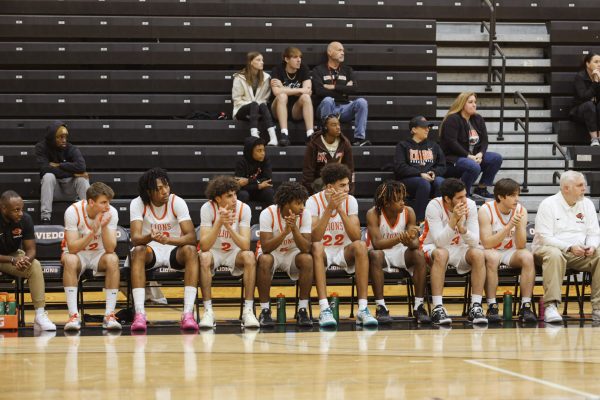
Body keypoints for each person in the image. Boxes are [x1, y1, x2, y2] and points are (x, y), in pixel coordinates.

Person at [129, 168, 199, 332]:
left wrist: (169, 240)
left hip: (174, 249)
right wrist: (150, 237)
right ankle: (140, 313)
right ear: (148, 192)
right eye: (159, 188)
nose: (165, 191)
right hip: (151, 250)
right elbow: (136, 238)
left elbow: (191, 237)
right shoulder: (138, 203)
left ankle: (188, 313)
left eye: (166, 186)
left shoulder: (177, 202)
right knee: (138, 250)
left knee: (190, 250)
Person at [307, 163, 378, 327]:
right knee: (316, 246)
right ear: (330, 187)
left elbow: (355, 236)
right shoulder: (313, 202)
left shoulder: (350, 201)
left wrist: (339, 209)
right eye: (342, 185)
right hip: (323, 253)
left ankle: (363, 309)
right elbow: (315, 237)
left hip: (343, 252)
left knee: (361, 245)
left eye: (348, 184)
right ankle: (324, 309)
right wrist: (329, 209)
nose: (347, 189)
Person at [533, 171, 600, 323]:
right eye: (580, 185)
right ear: (566, 188)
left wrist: (591, 246)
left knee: (599, 254)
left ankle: (598, 308)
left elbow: (594, 233)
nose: (585, 188)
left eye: (584, 184)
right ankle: (551, 306)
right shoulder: (548, 204)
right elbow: (545, 238)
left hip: (579, 252)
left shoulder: (587, 204)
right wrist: (569, 247)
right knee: (555, 254)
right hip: (548, 250)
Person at [420, 178, 488, 325]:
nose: (464, 200)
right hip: (432, 246)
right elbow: (439, 242)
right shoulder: (434, 206)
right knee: (441, 253)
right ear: (447, 199)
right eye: (460, 197)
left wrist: (463, 229)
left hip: (459, 247)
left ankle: (475, 307)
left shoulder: (469, 205)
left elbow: (475, 241)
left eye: (465, 195)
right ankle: (437, 307)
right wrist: (453, 221)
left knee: (478, 254)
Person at [198, 176, 260, 328]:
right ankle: (208, 311)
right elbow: (204, 246)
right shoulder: (207, 208)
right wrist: (219, 223)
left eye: (235, 194)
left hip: (234, 252)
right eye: (229, 196)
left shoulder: (243, 209)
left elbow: (245, 245)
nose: (234, 199)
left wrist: (230, 227)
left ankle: (248, 311)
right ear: (218, 198)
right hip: (214, 252)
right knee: (204, 257)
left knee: (250, 256)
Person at [366, 181, 430, 324]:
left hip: (401, 252)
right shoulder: (373, 213)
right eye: (398, 200)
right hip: (381, 254)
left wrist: (409, 240)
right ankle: (381, 306)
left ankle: (419, 305)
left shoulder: (409, 212)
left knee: (419, 255)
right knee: (375, 255)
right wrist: (400, 238)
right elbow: (377, 244)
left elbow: (414, 244)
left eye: (403, 199)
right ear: (387, 203)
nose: (402, 203)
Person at [62, 182, 121, 331]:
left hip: (99, 254)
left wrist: (105, 225)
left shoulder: (111, 212)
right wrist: (93, 232)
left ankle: (109, 315)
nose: (107, 206)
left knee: (113, 259)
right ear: (91, 202)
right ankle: (74, 316)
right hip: (78, 253)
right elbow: (73, 248)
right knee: (69, 259)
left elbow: (110, 248)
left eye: (109, 202)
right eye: (103, 203)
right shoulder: (72, 211)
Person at [478, 178, 537, 323]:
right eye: (512, 195)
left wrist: (518, 227)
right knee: (492, 258)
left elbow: (521, 245)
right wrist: (509, 226)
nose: (516, 199)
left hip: (510, 250)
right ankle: (492, 305)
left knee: (528, 257)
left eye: (517, 195)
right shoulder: (486, 210)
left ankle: (526, 305)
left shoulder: (520, 210)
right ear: (500, 196)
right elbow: (486, 243)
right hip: (489, 249)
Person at [255, 182, 313, 327]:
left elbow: (306, 248)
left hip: (292, 254)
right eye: (298, 203)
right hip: (273, 253)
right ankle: (265, 310)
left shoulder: (305, 215)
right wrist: (285, 232)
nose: (302, 207)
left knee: (307, 259)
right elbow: (266, 248)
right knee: (265, 259)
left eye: (303, 203)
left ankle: (302, 309)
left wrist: (294, 229)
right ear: (286, 203)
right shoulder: (267, 214)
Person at [0, 190, 55, 331]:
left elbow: (31, 249)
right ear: (3, 208)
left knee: (34, 265)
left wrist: (25, 259)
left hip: (12, 256)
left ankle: (40, 315)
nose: (20, 213)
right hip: (8, 258)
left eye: (22, 209)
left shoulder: (25, 219)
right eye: (16, 210)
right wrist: (13, 260)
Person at [439, 92, 503, 198]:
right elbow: (452, 143)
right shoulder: (452, 119)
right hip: (452, 159)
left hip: (473, 156)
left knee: (496, 158)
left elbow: (484, 141)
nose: (474, 105)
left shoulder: (478, 119)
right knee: (473, 166)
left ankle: (481, 189)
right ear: (462, 104)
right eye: (470, 102)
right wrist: (468, 156)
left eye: (475, 102)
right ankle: (464, 193)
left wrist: (481, 154)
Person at [312, 41, 370, 147]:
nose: (343, 53)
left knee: (362, 102)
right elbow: (319, 91)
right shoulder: (318, 70)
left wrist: (334, 87)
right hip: (327, 107)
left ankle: (359, 138)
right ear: (330, 52)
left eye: (343, 50)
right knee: (328, 99)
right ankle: (326, 137)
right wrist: (344, 90)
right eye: (339, 50)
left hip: (344, 108)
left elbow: (354, 89)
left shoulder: (347, 70)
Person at [35, 120, 89, 224]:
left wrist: (60, 165)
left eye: (65, 137)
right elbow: (45, 169)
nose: (64, 140)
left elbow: (81, 167)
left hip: (69, 189)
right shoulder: (41, 147)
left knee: (82, 179)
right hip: (53, 191)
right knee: (48, 176)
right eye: (60, 137)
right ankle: (45, 217)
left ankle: (88, 216)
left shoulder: (71, 148)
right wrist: (73, 173)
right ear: (52, 137)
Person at [394, 115, 446, 223]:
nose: (428, 129)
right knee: (423, 183)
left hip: (430, 178)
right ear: (414, 129)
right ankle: (418, 221)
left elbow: (442, 166)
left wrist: (434, 172)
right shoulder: (403, 146)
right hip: (411, 179)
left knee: (441, 182)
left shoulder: (434, 146)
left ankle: (438, 219)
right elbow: (400, 167)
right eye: (424, 127)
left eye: (428, 127)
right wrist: (420, 174)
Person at [232, 51, 279, 146]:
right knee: (255, 104)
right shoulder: (239, 77)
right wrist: (254, 104)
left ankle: (273, 137)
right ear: (250, 62)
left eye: (262, 60)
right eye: (258, 60)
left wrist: (256, 106)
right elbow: (237, 100)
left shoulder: (266, 78)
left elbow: (265, 99)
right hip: (241, 110)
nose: (262, 62)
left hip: (258, 111)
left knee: (261, 104)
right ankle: (254, 135)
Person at [270, 46, 314, 145]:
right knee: (282, 96)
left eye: (300, 57)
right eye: (295, 57)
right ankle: (284, 134)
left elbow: (308, 91)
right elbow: (276, 92)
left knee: (306, 97)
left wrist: (284, 89)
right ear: (286, 59)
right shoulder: (277, 69)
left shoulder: (303, 68)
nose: (299, 60)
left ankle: (310, 135)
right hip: (278, 108)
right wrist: (300, 90)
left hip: (296, 109)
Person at [302, 114, 354, 194]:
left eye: (338, 124)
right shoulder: (314, 143)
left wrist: (350, 191)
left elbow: (350, 169)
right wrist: (309, 193)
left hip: (339, 181)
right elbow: (308, 171)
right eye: (334, 125)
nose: (338, 127)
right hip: (320, 182)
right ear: (325, 128)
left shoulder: (345, 143)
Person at [570, 53, 600, 146]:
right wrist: (595, 82)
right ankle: (594, 139)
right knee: (589, 105)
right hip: (580, 110)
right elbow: (584, 97)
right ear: (587, 64)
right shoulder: (580, 77)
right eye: (596, 62)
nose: (599, 64)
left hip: (596, 109)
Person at [234, 136, 274, 207]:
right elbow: (240, 185)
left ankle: (272, 216)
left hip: (259, 192)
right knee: (243, 194)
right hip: (246, 191)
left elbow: (267, 180)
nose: (263, 153)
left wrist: (249, 181)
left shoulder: (265, 160)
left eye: (263, 150)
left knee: (269, 192)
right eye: (259, 150)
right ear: (250, 151)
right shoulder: (241, 162)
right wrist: (258, 186)